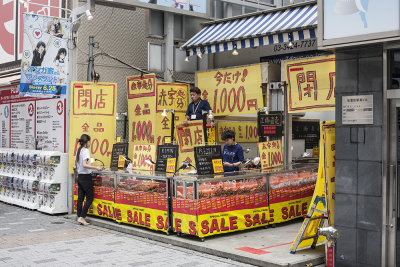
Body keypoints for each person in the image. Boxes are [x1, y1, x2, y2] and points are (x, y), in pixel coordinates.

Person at [75, 134, 102, 226]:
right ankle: (82, 217)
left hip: (80, 177)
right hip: (86, 178)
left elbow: (77, 165)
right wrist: (96, 168)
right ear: (86, 142)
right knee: (90, 198)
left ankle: (79, 216)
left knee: (80, 198)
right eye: (90, 141)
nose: (90, 143)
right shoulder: (85, 151)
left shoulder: (79, 150)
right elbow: (84, 165)